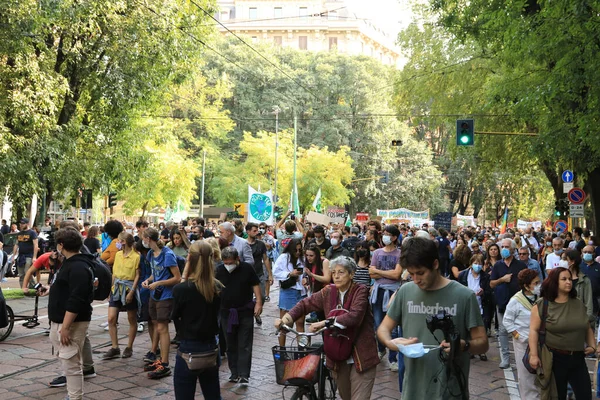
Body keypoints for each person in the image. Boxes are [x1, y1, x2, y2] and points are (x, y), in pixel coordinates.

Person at [377, 237, 488, 398]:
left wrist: (464, 346)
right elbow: (383, 329)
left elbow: (482, 343)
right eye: (411, 274)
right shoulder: (405, 292)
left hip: (451, 392)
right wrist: (390, 343)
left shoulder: (464, 296)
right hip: (413, 391)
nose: (415, 280)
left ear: (435, 264)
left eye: (420, 273)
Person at [275, 256, 379, 400]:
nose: (336, 276)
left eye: (341, 272)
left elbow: (355, 316)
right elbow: (305, 304)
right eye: (334, 272)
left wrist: (325, 323)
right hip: (338, 355)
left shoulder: (360, 290)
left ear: (351, 274)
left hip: (361, 354)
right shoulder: (328, 291)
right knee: (345, 396)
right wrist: (285, 319)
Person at [40, 227, 95, 400]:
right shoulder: (71, 263)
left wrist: (65, 327)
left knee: (71, 363)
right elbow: (67, 288)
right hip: (61, 320)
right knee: (67, 359)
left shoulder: (78, 266)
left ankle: (75, 397)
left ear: (61, 245)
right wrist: (51, 289)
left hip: (71, 322)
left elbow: (76, 299)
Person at [528, 268, 595, 400]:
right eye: (564, 279)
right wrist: (534, 355)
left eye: (570, 279)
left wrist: (592, 346)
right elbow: (533, 330)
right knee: (557, 396)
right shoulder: (543, 304)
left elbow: (586, 326)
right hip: (554, 359)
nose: (568, 282)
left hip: (578, 358)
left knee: (585, 395)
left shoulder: (578, 303)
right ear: (554, 282)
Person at [172, 241, 223, 399]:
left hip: (188, 347)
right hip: (211, 346)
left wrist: (185, 275)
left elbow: (174, 315)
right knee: (213, 394)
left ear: (190, 259)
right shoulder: (217, 287)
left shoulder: (182, 289)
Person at [215, 246, 262, 384]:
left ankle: (244, 373)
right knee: (230, 343)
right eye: (226, 263)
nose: (228, 266)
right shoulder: (219, 270)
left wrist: (258, 302)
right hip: (226, 313)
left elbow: (255, 285)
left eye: (230, 262)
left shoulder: (247, 268)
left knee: (245, 342)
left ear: (238, 259)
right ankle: (234, 372)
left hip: (245, 311)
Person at [141, 227, 181, 379]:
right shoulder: (151, 253)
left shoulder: (168, 254)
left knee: (163, 327)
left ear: (149, 239)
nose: (142, 240)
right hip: (154, 294)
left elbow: (177, 277)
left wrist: (159, 284)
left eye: (143, 238)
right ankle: (159, 359)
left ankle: (165, 363)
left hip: (165, 295)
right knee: (156, 324)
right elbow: (154, 273)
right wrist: (149, 280)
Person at [502, 269, 540, 399]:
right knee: (526, 376)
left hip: (540, 342)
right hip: (523, 343)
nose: (538, 285)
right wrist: (519, 337)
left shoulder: (539, 298)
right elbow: (507, 321)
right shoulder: (516, 301)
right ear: (526, 285)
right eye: (536, 283)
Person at [369, 225, 403, 372]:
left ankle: (393, 358)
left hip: (393, 293)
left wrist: (379, 271)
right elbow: (371, 273)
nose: (385, 237)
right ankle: (381, 348)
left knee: (393, 327)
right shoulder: (376, 253)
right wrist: (386, 273)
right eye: (384, 234)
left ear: (395, 237)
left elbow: (397, 275)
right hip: (379, 292)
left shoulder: (400, 254)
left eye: (388, 234)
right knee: (378, 324)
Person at [490, 238, 527, 369]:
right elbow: (491, 283)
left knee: (519, 330)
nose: (504, 249)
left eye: (507, 247)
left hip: (518, 303)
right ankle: (505, 358)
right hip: (502, 302)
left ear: (513, 249)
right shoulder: (498, 265)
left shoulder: (521, 265)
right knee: (503, 330)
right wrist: (502, 279)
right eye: (503, 247)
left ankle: (521, 358)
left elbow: (527, 283)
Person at [102, 232, 140, 360]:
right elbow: (114, 273)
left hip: (129, 287)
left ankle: (129, 346)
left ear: (124, 242)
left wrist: (132, 291)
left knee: (131, 318)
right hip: (116, 287)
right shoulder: (118, 255)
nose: (117, 243)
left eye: (119, 241)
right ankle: (115, 347)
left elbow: (137, 275)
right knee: (111, 318)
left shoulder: (136, 257)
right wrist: (110, 290)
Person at [457, 253, 491, 361]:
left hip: (481, 305)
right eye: (475, 263)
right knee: (468, 328)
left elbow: (489, 292)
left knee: (481, 328)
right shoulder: (463, 275)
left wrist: (483, 292)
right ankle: (471, 349)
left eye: (480, 263)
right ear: (471, 264)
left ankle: (481, 351)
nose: (478, 265)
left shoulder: (485, 276)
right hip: (466, 305)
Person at [273, 238, 306, 346]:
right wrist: (289, 274)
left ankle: (302, 349)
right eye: (295, 250)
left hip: (301, 292)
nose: (297, 252)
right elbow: (276, 271)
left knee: (300, 322)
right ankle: (281, 349)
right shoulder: (284, 257)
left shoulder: (303, 258)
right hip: (288, 291)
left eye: (299, 250)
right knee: (285, 324)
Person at [245, 222, 272, 326]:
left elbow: (265, 259)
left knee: (262, 296)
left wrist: (269, 274)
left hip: (259, 274)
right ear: (248, 231)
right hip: (246, 276)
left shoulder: (260, 244)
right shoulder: (243, 243)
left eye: (257, 231)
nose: (257, 232)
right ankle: (248, 315)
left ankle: (257, 313)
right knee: (246, 297)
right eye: (254, 230)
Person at [565, 249, 595, 324]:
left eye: (566, 259)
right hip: (563, 317)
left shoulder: (584, 280)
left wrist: (586, 320)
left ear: (572, 262)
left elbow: (588, 303)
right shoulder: (560, 279)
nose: (563, 262)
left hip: (579, 319)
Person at [13, 218, 39, 289]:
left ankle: (32, 287)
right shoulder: (19, 234)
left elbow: (36, 245)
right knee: (21, 274)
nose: (21, 225)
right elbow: (16, 245)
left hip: (29, 256)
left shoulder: (32, 233)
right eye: (20, 223)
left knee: (28, 272)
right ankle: (23, 289)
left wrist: (34, 257)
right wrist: (13, 256)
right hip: (20, 256)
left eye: (23, 223)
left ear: (27, 224)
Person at [581, 245, 600, 318]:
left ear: (594, 254)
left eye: (589, 252)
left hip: (595, 300)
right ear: (582, 253)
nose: (587, 254)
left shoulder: (598, 267)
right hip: (580, 300)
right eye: (585, 252)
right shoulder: (577, 266)